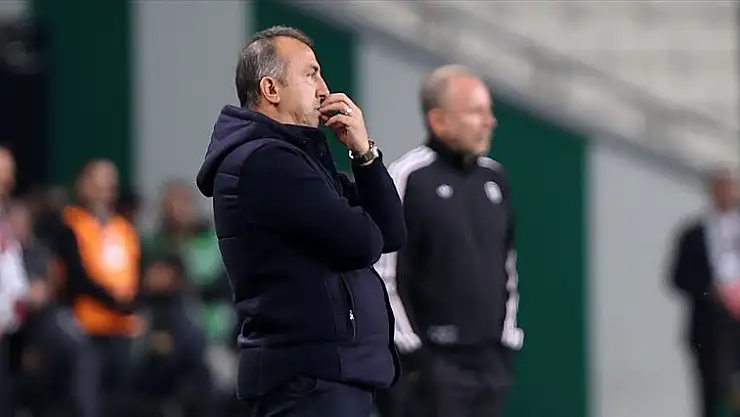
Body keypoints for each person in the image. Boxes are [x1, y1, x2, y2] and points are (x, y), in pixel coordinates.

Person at [195, 26, 406, 417]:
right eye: (311, 74)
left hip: (329, 375)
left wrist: (364, 153)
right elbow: (362, 242)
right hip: (309, 378)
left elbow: (391, 232)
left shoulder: (300, 160)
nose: (325, 90)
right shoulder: (266, 161)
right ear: (271, 89)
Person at [374, 65, 523, 417]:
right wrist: (415, 355)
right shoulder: (408, 177)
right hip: (428, 369)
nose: (489, 121)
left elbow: (507, 267)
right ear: (438, 121)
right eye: (476, 111)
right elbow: (384, 276)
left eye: (488, 111)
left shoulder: (495, 178)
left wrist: (505, 342)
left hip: (488, 366)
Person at [669, 169, 740, 417]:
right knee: (711, 394)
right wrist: (709, 292)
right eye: (720, 188)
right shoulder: (693, 234)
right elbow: (677, 278)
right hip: (710, 326)